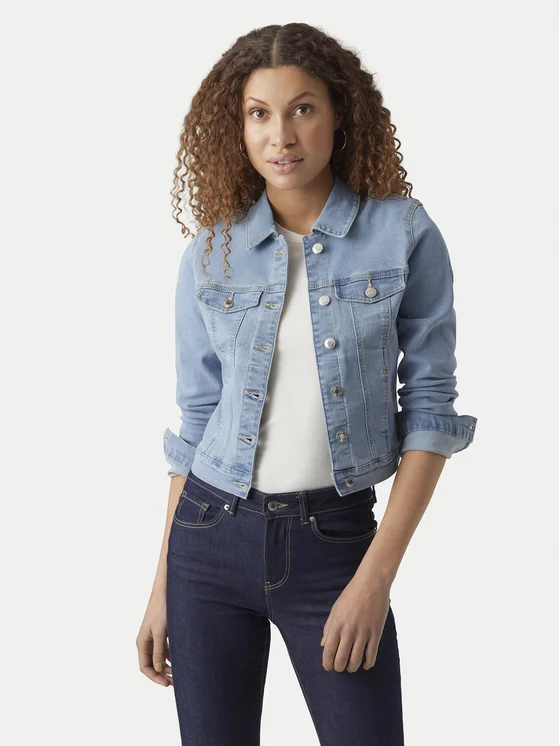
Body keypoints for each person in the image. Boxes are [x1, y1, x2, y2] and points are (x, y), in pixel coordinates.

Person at [136, 22, 477, 746]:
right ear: (237, 127)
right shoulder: (212, 252)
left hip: (334, 543)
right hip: (206, 540)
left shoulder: (402, 234)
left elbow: (430, 411)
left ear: (339, 113)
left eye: (302, 108)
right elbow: (197, 421)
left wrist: (375, 578)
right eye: (259, 113)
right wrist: (162, 584)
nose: (281, 135)